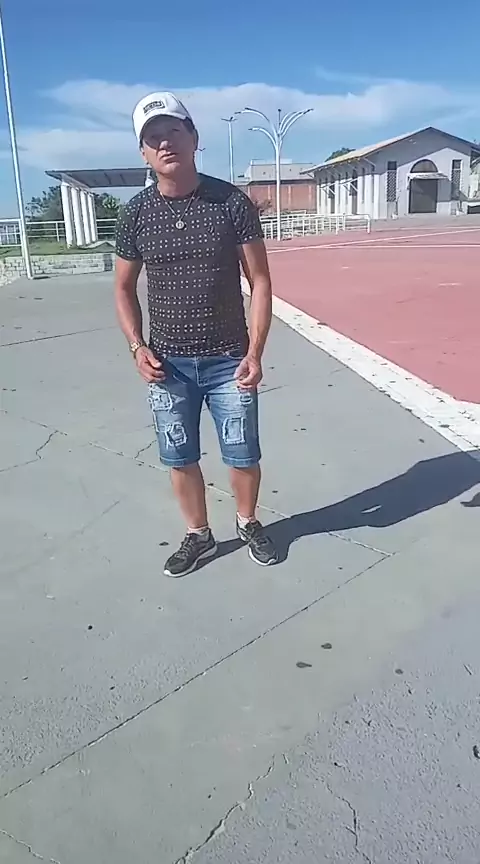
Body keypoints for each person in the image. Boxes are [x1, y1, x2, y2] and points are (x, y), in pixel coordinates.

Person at [115, 91, 278, 577]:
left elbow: (260, 280)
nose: (165, 142)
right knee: (179, 456)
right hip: (167, 366)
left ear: (194, 138)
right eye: (153, 137)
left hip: (230, 360)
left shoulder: (231, 203)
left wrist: (255, 351)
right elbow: (122, 287)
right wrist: (137, 347)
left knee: (242, 453)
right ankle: (199, 535)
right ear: (143, 152)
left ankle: (247, 522)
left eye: (174, 130)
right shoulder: (135, 213)